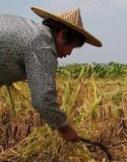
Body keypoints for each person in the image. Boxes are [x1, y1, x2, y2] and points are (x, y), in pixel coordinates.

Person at [0, 6, 102, 141]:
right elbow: (43, 100)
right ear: (62, 34)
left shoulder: (32, 31)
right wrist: (65, 129)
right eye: (71, 46)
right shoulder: (41, 45)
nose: (69, 53)